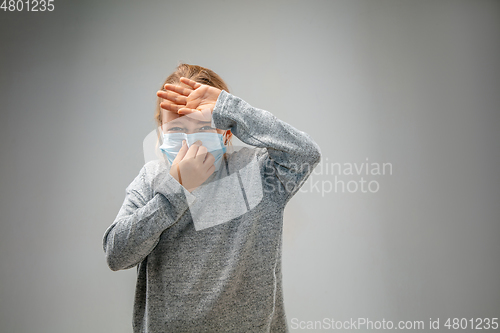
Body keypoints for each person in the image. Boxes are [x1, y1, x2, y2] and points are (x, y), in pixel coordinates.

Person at [102, 63, 321, 332]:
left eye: (201, 126)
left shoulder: (260, 173)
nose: (189, 141)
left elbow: (306, 153)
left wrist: (229, 107)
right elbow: (116, 253)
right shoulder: (151, 179)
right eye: (177, 128)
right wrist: (176, 190)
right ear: (160, 131)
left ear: (227, 132)